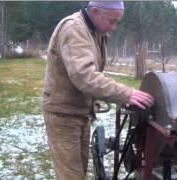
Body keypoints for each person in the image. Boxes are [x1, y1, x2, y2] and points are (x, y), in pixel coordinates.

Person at [43, 1, 154, 179]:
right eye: (112, 21)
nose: (115, 27)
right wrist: (127, 94)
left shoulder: (95, 32)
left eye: (118, 22)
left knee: (78, 171)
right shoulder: (74, 29)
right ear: (95, 11)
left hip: (80, 112)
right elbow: (84, 76)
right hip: (63, 115)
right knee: (70, 175)